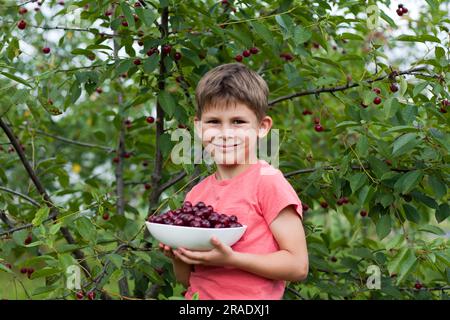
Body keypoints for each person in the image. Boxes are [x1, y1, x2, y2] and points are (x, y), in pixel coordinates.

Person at [159, 62, 308, 300]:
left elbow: (297, 265)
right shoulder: (196, 195)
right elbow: (186, 278)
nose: (225, 133)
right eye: (214, 122)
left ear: (262, 127)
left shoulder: (268, 183)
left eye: (238, 122)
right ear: (198, 127)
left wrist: (232, 259)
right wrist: (178, 255)